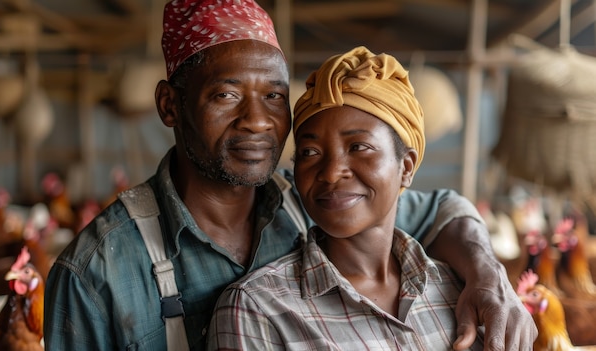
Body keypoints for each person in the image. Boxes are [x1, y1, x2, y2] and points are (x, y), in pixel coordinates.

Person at [43, 1, 536, 350]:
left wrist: (488, 276)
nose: (258, 119)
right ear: (170, 105)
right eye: (226, 95)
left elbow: (446, 209)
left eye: (275, 96)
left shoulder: (316, 198)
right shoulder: (97, 272)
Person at [208, 46, 484, 350]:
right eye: (310, 153)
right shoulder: (258, 310)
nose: (331, 172)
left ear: (405, 167)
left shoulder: (459, 289)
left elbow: (448, 205)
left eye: (358, 147)